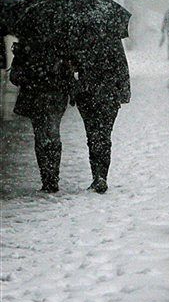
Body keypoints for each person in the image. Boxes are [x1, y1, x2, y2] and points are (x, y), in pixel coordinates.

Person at [10, 40, 73, 193]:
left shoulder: (29, 42)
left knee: (41, 135)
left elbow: (15, 76)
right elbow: (69, 71)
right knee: (52, 133)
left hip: (37, 96)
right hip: (53, 95)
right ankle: (52, 177)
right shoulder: (61, 42)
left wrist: (31, 76)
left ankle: (47, 178)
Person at [73, 37, 130, 194]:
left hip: (87, 94)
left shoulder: (80, 38)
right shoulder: (112, 39)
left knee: (92, 135)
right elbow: (121, 66)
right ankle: (101, 175)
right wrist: (123, 91)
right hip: (108, 95)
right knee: (104, 135)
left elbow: (72, 66)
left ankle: (97, 175)